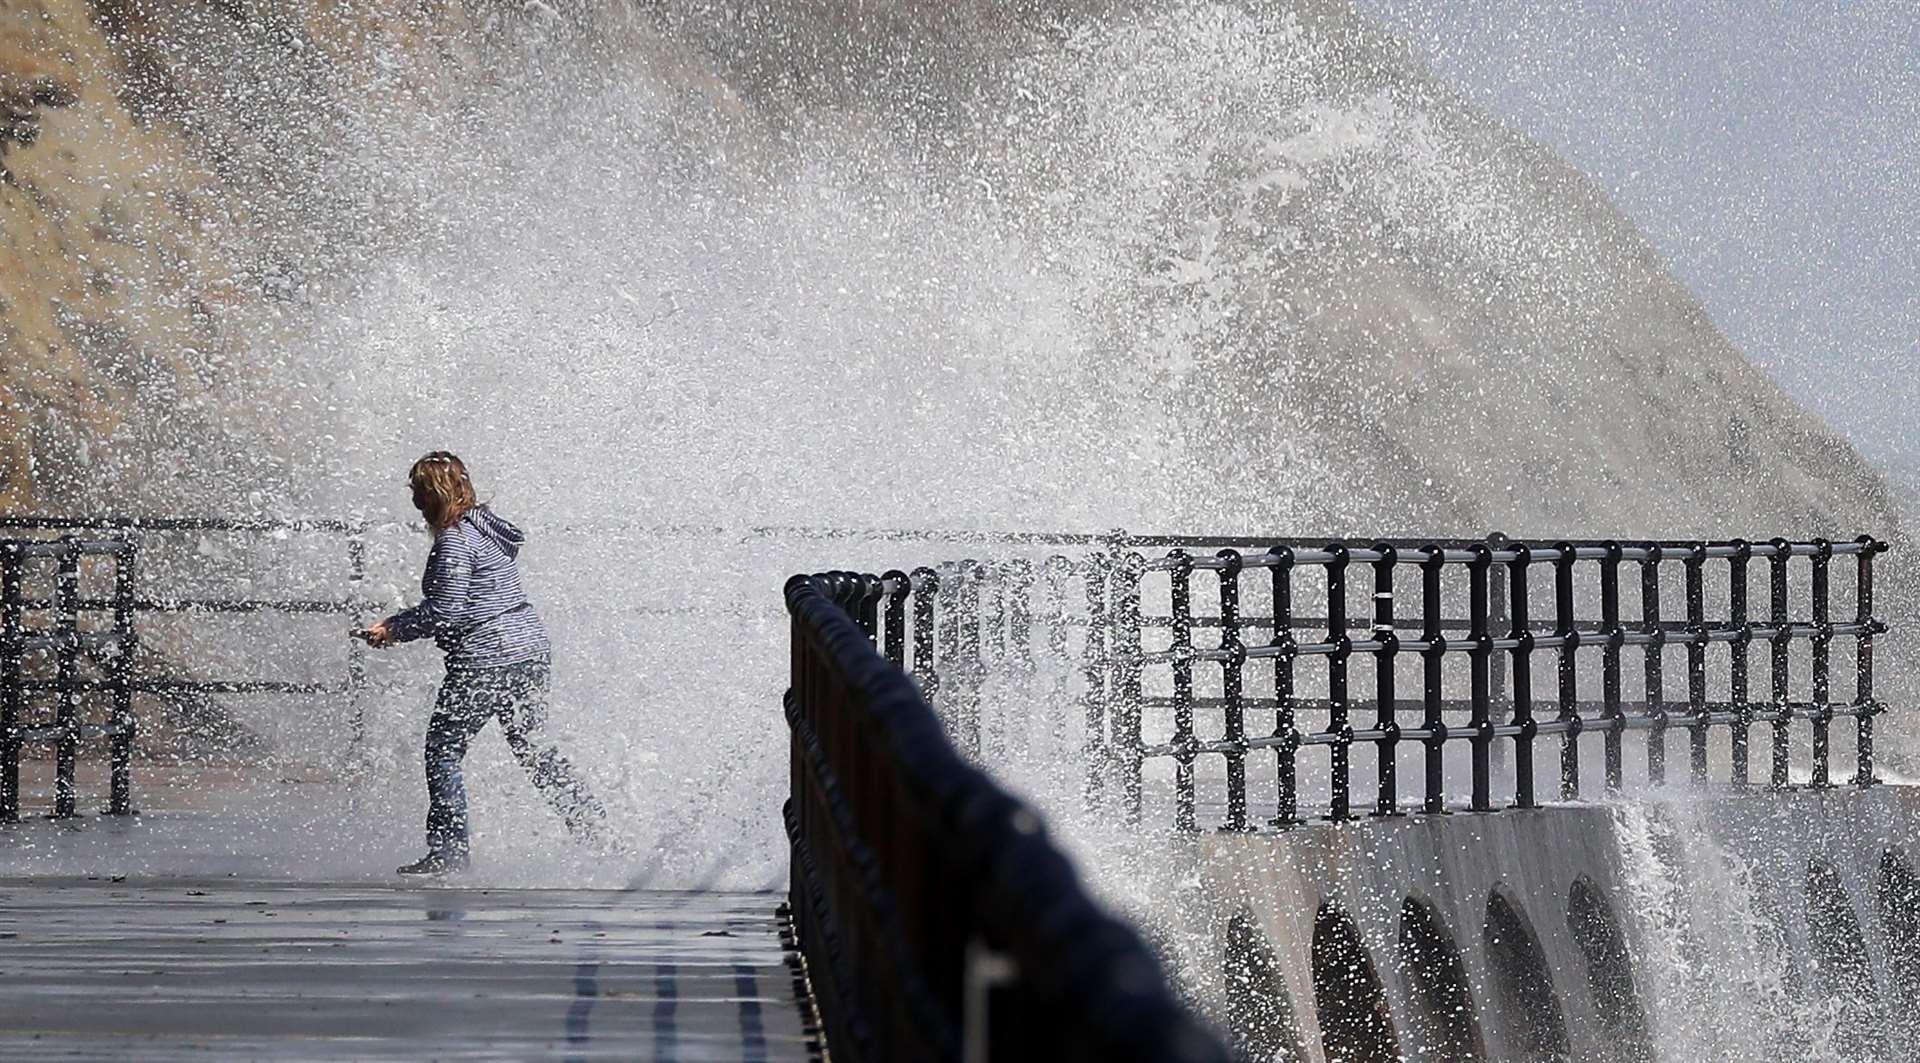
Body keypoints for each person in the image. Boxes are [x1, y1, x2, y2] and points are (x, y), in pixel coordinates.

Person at [362, 451, 606, 874]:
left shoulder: (454, 541)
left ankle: (448, 854)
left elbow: (448, 610)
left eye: (417, 492)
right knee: (531, 745)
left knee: (443, 751)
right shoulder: (487, 529)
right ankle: (592, 827)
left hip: (486, 659)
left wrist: (394, 628)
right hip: (530, 651)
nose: (415, 501)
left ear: (429, 497)